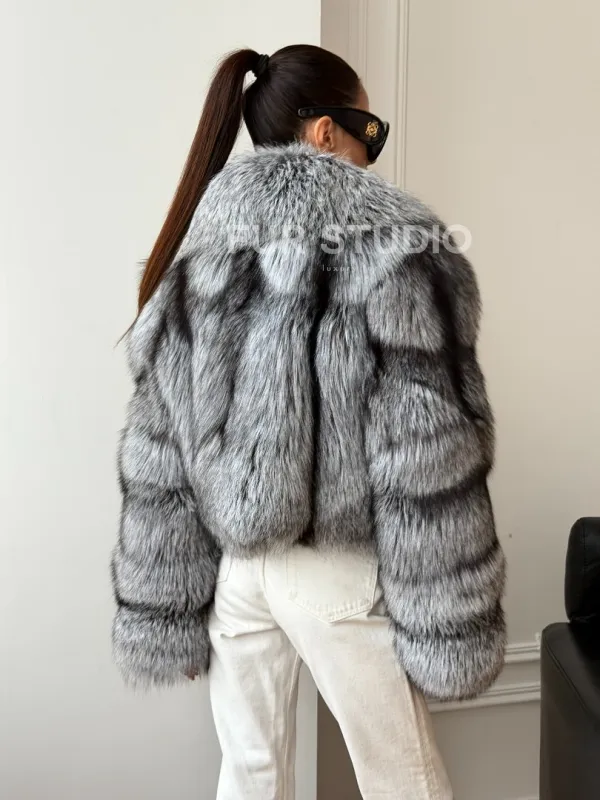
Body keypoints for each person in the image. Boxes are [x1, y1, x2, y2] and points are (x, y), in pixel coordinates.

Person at [111, 44, 506, 800]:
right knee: (405, 781)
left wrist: (169, 603)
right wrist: (447, 621)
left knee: (250, 778)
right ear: (326, 130)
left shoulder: (199, 248)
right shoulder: (398, 245)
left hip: (236, 574)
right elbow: (430, 451)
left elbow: (157, 441)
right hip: (333, 568)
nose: (371, 152)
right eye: (369, 129)